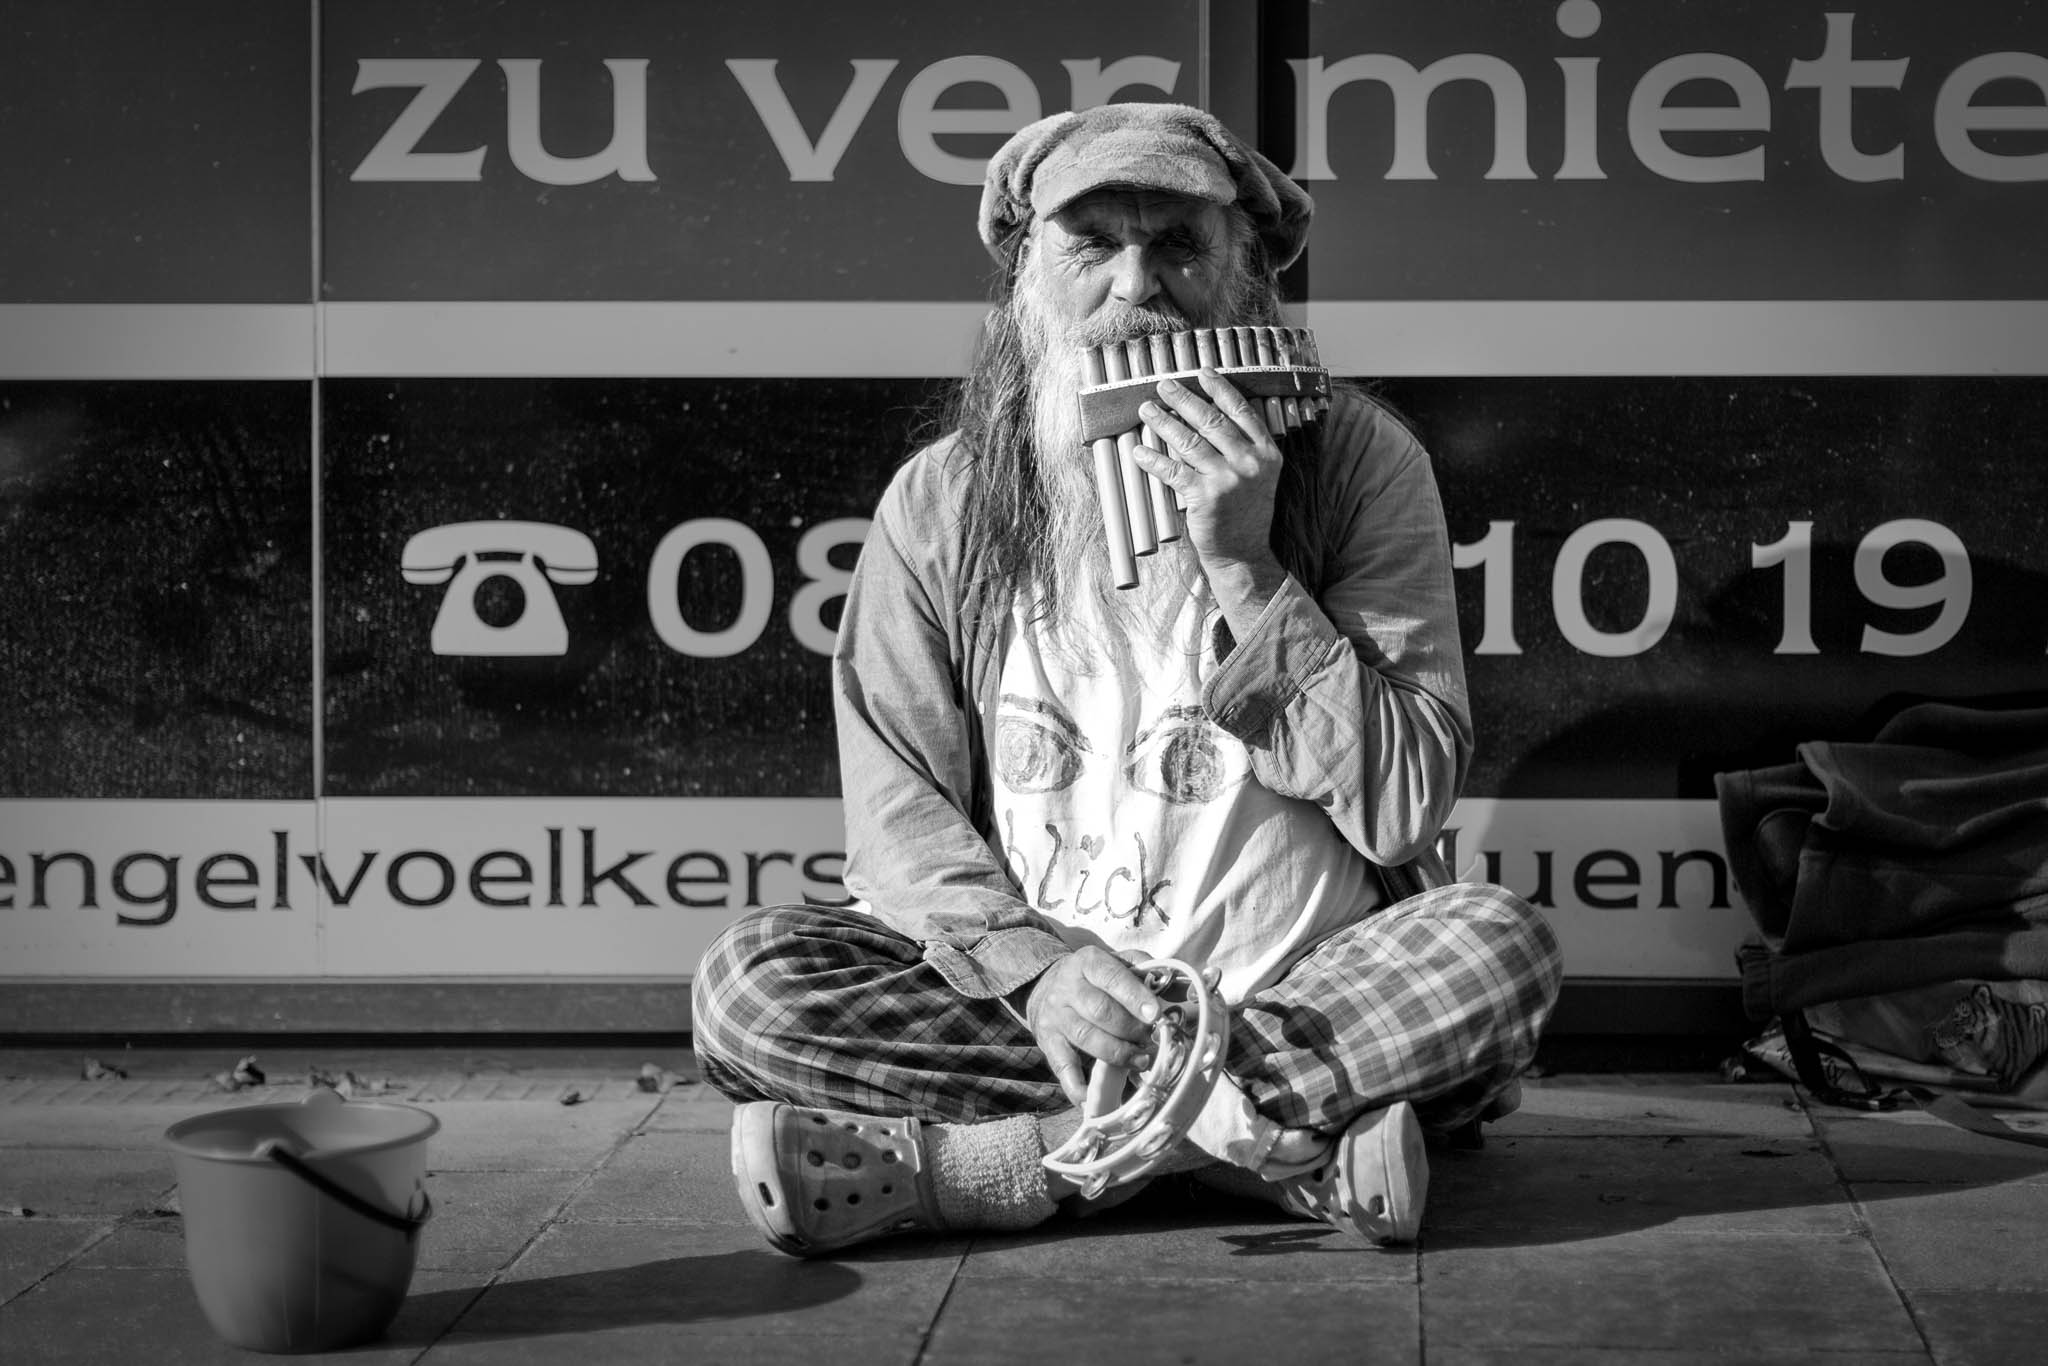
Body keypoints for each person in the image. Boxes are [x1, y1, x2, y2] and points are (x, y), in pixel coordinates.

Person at [691, 102, 1562, 1257]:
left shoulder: (1357, 459)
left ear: (1245, 276)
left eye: (1180, 246)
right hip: (1041, 1006)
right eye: (1090, 244)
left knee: (1490, 951)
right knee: (748, 987)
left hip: (1297, 984)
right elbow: (897, 824)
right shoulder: (941, 500)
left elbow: (1404, 803)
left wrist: (1245, 568)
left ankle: (992, 1169)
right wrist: (1039, 968)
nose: (1135, 285)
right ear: (1024, 278)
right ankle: (1276, 1151)